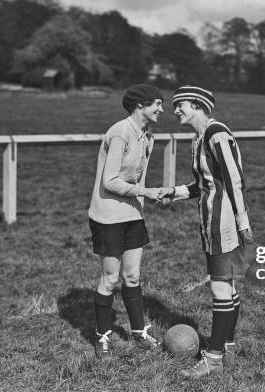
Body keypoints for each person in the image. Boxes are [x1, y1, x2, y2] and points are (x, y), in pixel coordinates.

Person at [159, 85, 254, 378]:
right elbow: (203, 184)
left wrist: (242, 222)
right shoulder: (199, 138)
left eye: (181, 105)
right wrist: (173, 192)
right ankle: (227, 344)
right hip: (211, 223)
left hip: (223, 224)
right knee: (227, 286)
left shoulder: (216, 134)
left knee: (220, 288)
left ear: (198, 105)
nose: (176, 110)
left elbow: (234, 180)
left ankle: (213, 359)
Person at [88, 84, 165, 357]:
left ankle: (138, 332)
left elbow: (137, 180)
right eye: (157, 103)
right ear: (140, 106)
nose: (161, 109)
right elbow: (109, 182)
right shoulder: (120, 132)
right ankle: (103, 336)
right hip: (108, 216)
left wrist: (146, 199)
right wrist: (145, 191)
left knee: (132, 276)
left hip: (133, 215)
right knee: (110, 278)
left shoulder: (148, 136)